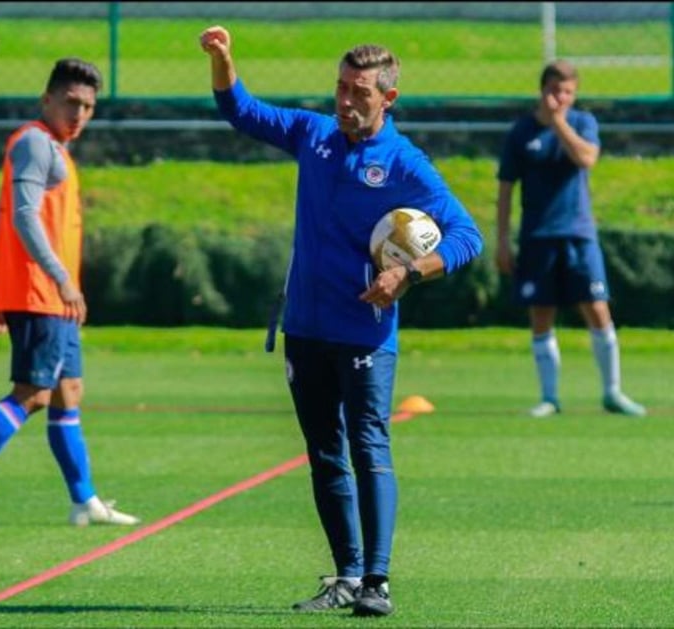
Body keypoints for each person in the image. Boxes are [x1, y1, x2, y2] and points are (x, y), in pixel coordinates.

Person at [199, 26, 483, 617]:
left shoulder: (405, 164)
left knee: (368, 445)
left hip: (365, 335)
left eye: (359, 92)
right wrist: (223, 61)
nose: (346, 101)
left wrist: (408, 274)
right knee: (325, 452)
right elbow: (241, 111)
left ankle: (378, 580)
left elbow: (466, 235)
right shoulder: (315, 135)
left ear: (388, 99)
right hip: (304, 327)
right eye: (341, 88)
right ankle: (347, 576)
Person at [0, 58, 140, 530]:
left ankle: (84, 501)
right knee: (33, 394)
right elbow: (22, 216)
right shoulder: (34, 143)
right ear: (46, 99)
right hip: (41, 292)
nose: (80, 113)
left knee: (68, 392)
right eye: (71, 102)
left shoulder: (54, 148)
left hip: (51, 297)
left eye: (88, 106)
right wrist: (60, 278)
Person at [496, 60, 646, 419]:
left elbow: (587, 159)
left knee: (597, 309)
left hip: (578, 234)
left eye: (566, 92)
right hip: (537, 236)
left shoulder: (582, 123)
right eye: (553, 90)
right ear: (541, 90)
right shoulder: (521, 132)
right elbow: (505, 188)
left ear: (574, 94)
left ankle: (613, 392)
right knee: (542, 315)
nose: (559, 97)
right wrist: (502, 239)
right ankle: (549, 397)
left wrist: (559, 122)